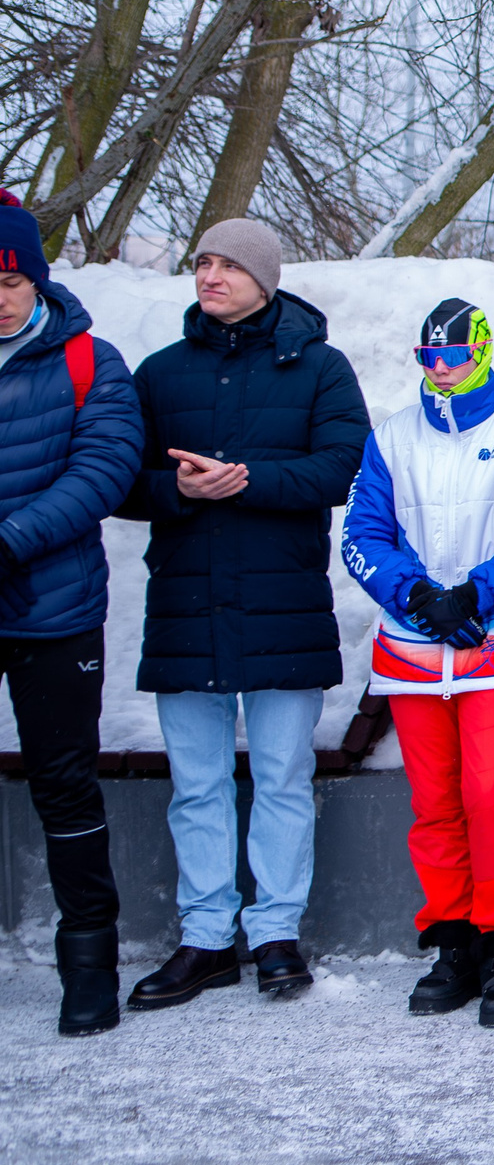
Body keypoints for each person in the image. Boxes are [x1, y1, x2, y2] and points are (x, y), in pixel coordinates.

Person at [120, 217, 369, 1010]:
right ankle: (204, 939)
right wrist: (177, 490)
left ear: (265, 277)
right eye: (202, 262)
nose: (210, 274)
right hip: (187, 605)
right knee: (194, 783)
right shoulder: (159, 373)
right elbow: (117, 478)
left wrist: (246, 479)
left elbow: (343, 467)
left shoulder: (321, 367)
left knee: (282, 778)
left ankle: (274, 933)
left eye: (228, 263)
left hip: (282, 606)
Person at [340, 300, 494, 1028]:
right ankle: (453, 941)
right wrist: (414, 593)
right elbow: (364, 531)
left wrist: (476, 591)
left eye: (454, 356)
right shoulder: (393, 435)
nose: (441, 369)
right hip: (413, 647)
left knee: (491, 795)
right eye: (428, 357)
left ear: (482, 351)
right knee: (434, 802)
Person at [0, 199, 142, 1036]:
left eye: (11, 278)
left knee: (64, 784)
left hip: (53, 608)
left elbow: (105, 467)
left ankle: (88, 960)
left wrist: (12, 540)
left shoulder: (90, 360)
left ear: (35, 279)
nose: (0, 295)